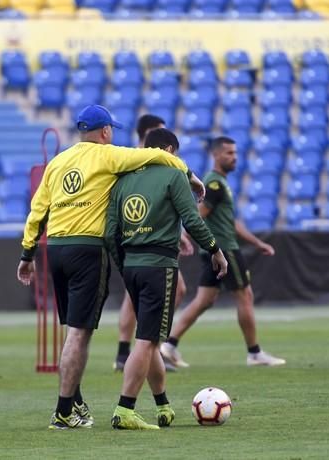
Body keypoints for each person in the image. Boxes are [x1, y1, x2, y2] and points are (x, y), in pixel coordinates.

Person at [16, 105, 205, 430]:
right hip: (88, 248)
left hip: (57, 248)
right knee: (80, 332)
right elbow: (160, 157)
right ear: (105, 131)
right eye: (112, 129)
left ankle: (73, 402)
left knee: (72, 330)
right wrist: (192, 178)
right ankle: (63, 412)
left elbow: (37, 210)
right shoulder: (109, 156)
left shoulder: (57, 162)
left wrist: (27, 254)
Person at [105, 128, 228, 429]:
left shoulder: (123, 181)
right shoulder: (174, 177)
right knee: (147, 342)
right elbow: (193, 220)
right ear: (170, 151)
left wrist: (124, 266)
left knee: (151, 340)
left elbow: (110, 232)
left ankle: (163, 406)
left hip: (131, 265)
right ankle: (125, 409)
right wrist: (215, 249)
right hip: (160, 266)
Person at [160, 136, 287, 368]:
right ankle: (255, 353)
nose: (234, 157)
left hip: (217, 247)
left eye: (235, 153)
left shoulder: (219, 182)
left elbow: (232, 222)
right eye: (228, 153)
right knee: (245, 296)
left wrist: (257, 243)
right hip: (223, 249)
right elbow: (198, 215)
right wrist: (184, 236)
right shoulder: (215, 185)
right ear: (216, 155)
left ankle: (168, 345)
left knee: (204, 300)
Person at [113, 114, 194, 372]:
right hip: (141, 238)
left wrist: (178, 234)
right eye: (160, 131)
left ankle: (137, 350)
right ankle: (137, 350)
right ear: (148, 134)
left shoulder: (143, 161)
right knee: (137, 296)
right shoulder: (138, 158)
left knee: (152, 293)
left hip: (144, 235)